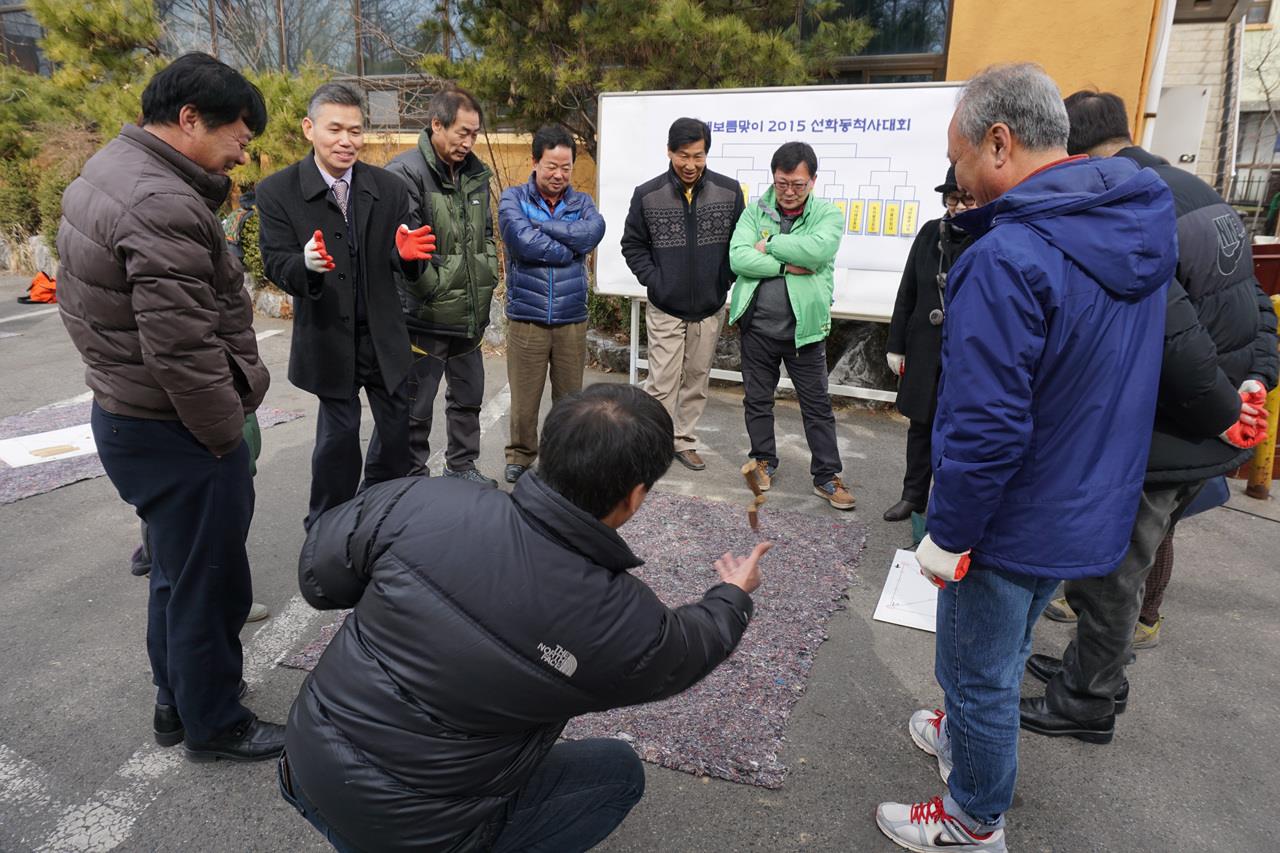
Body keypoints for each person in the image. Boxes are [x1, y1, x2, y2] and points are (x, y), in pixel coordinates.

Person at [874, 63, 1176, 853]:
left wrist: (949, 533)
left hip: (1011, 515)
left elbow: (986, 425)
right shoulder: (1133, 220)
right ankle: (964, 739)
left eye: (962, 160)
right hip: (1090, 502)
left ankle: (972, 819)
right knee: (1003, 652)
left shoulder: (1009, 256)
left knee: (978, 671)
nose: (960, 180)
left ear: (1000, 143)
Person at [278, 383, 769, 852]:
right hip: (417, 836)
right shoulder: (621, 619)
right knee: (619, 774)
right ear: (634, 497)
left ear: (547, 451)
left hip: (304, 767)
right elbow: (689, 649)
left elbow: (319, 582)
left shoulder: (422, 498)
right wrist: (732, 595)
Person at [1019, 89, 1277, 744]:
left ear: (1075, 152)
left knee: (1109, 572)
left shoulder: (1131, 205)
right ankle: (1095, 671)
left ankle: (1087, 701)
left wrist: (1223, 410)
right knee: (1134, 563)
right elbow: (1256, 303)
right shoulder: (1197, 191)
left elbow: (1171, 334)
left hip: (1167, 427)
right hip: (1208, 420)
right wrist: (1253, 387)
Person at [56, 52, 284, 762]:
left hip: (130, 412)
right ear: (189, 120)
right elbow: (180, 348)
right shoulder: (161, 202)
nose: (243, 151)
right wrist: (224, 435)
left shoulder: (111, 170)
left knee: (177, 576)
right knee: (208, 585)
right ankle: (215, 722)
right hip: (177, 428)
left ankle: (176, 702)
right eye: (238, 136)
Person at [256, 82, 434, 530]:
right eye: (335, 129)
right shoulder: (279, 191)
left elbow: (400, 248)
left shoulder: (387, 188)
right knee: (338, 436)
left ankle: (377, 509)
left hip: (382, 332)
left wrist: (405, 257)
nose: (346, 141)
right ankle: (327, 524)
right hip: (328, 336)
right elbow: (275, 261)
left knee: (397, 432)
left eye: (355, 131)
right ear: (309, 128)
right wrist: (304, 264)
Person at [727, 141, 854, 510]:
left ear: (812, 181)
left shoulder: (828, 214)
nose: (789, 192)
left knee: (817, 406)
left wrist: (770, 245)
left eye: (798, 184)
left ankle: (827, 476)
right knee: (757, 400)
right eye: (783, 183)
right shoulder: (755, 211)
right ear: (774, 178)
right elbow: (738, 256)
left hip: (805, 330)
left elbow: (816, 253)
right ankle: (763, 460)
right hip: (758, 328)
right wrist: (784, 263)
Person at [386, 85, 499, 486]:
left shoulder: (475, 175)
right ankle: (411, 477)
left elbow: (486, 234)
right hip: (424, 316)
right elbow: (407, 249)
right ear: (436, 124)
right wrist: (436, 288)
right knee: (416, 407)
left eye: (474, 134)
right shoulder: (405, 173)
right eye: (462, 132)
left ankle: (462, 467)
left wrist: (487, 275)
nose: (469, 142)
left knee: (468, 397)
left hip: (469, 313)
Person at [622, 117, 745, 471]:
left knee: (696, 379)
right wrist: (655, 280)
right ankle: (651, 443)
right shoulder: (648, 195)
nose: (690, 164)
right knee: (661, 382)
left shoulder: (730, 192)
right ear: (669, 152)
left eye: (698, 156)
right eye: (683, 155)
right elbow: (633, 245)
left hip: (709, 306)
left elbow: (741, 244)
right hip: (665, 306)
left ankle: (684, 440)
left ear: (706, 153)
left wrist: (724, 279)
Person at [498, 124, 606, 484]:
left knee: (569, 400)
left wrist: (545, 228)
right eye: (551, 167)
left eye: (566, 168)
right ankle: (520, 454)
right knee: (524, 397)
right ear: (534, 162)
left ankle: (563, 459)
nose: (559, 175)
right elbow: (523, 243)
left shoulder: (583, 203)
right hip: (526, 315)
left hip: (571, 316)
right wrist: (571, 246)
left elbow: (593, 232)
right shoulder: (514, 199)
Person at [882, 167, 974, 522]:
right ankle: (912, 495)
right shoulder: (929, 233)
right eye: (953, 198)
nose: (960, 206)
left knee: (958, 431)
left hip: (966, 353)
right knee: (919, 425)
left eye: (967, 197)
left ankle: (946, 504)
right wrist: (896, 344)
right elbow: (908, 291)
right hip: (924, 347)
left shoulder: (991, 235)